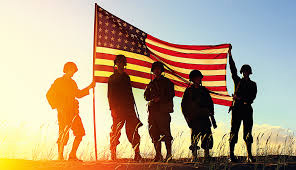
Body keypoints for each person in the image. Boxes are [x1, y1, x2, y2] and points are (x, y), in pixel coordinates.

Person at [46, 62, 95, 161]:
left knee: (80, 132)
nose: (74, 72)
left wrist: (89, 87)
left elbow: (78, 94)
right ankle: (60, 156)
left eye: (74, 70)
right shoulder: (58, 81)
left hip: (73, 112)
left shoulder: (72, 83)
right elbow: (49, 94)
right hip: (63, 111)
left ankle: (72, 155)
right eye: (72, 70)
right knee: (64, 134)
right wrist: (58, 106)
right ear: (67, 69)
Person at [107, 54, 142, 161]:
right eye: (119, 62)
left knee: (133, 131)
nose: (121, 64)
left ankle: (137, 154)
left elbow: (130, 93)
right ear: (116, 64)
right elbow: (110, 94)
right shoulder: (112, 78)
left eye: (122, 62)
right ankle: (113, 154)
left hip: (129, 109)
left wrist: (132, 109)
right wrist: (112, 108)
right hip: (117, 109)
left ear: (124, 64)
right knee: (116, 131)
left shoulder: (127, 77)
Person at [228, 46, 257, 163]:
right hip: (236, 109)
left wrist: (239, 98)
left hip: (247, 109)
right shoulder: (237, 81)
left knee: (248, 132)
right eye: (244, 71)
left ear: (249, 73)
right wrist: (230, 55)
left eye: (247, 71)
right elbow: (232, 69)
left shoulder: (253, 84)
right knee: (234, 132)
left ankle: (249, 155)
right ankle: (231, 155)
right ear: (242, 72)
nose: (245, 73)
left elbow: (252, 97)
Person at [181, 70, 217, 162]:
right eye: (197, 78)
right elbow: (183, 106)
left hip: (204, 117)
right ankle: (194, 156)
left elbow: (210, 103)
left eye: (200, 78)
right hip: (194, 118)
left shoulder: (204, 91)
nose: (199, 79)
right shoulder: (188, 91)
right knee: (194, 139)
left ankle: (206, 156)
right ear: (193, 79)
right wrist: (188, 119)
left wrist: (211, 114)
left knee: (207, 137)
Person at [144, 61, 175, 162]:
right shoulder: (151, 84)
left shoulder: (167, 82)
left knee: (166, 134)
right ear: (153, 71)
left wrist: (160, 98)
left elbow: (171, 94)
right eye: (155, 69)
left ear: (161, 70)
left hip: (163, 111)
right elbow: (146, 96)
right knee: (154, 133)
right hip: (153, 111)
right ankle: (158, 155)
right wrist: (151, 97)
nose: (156, 71)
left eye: (158, 69)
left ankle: (169, 155)